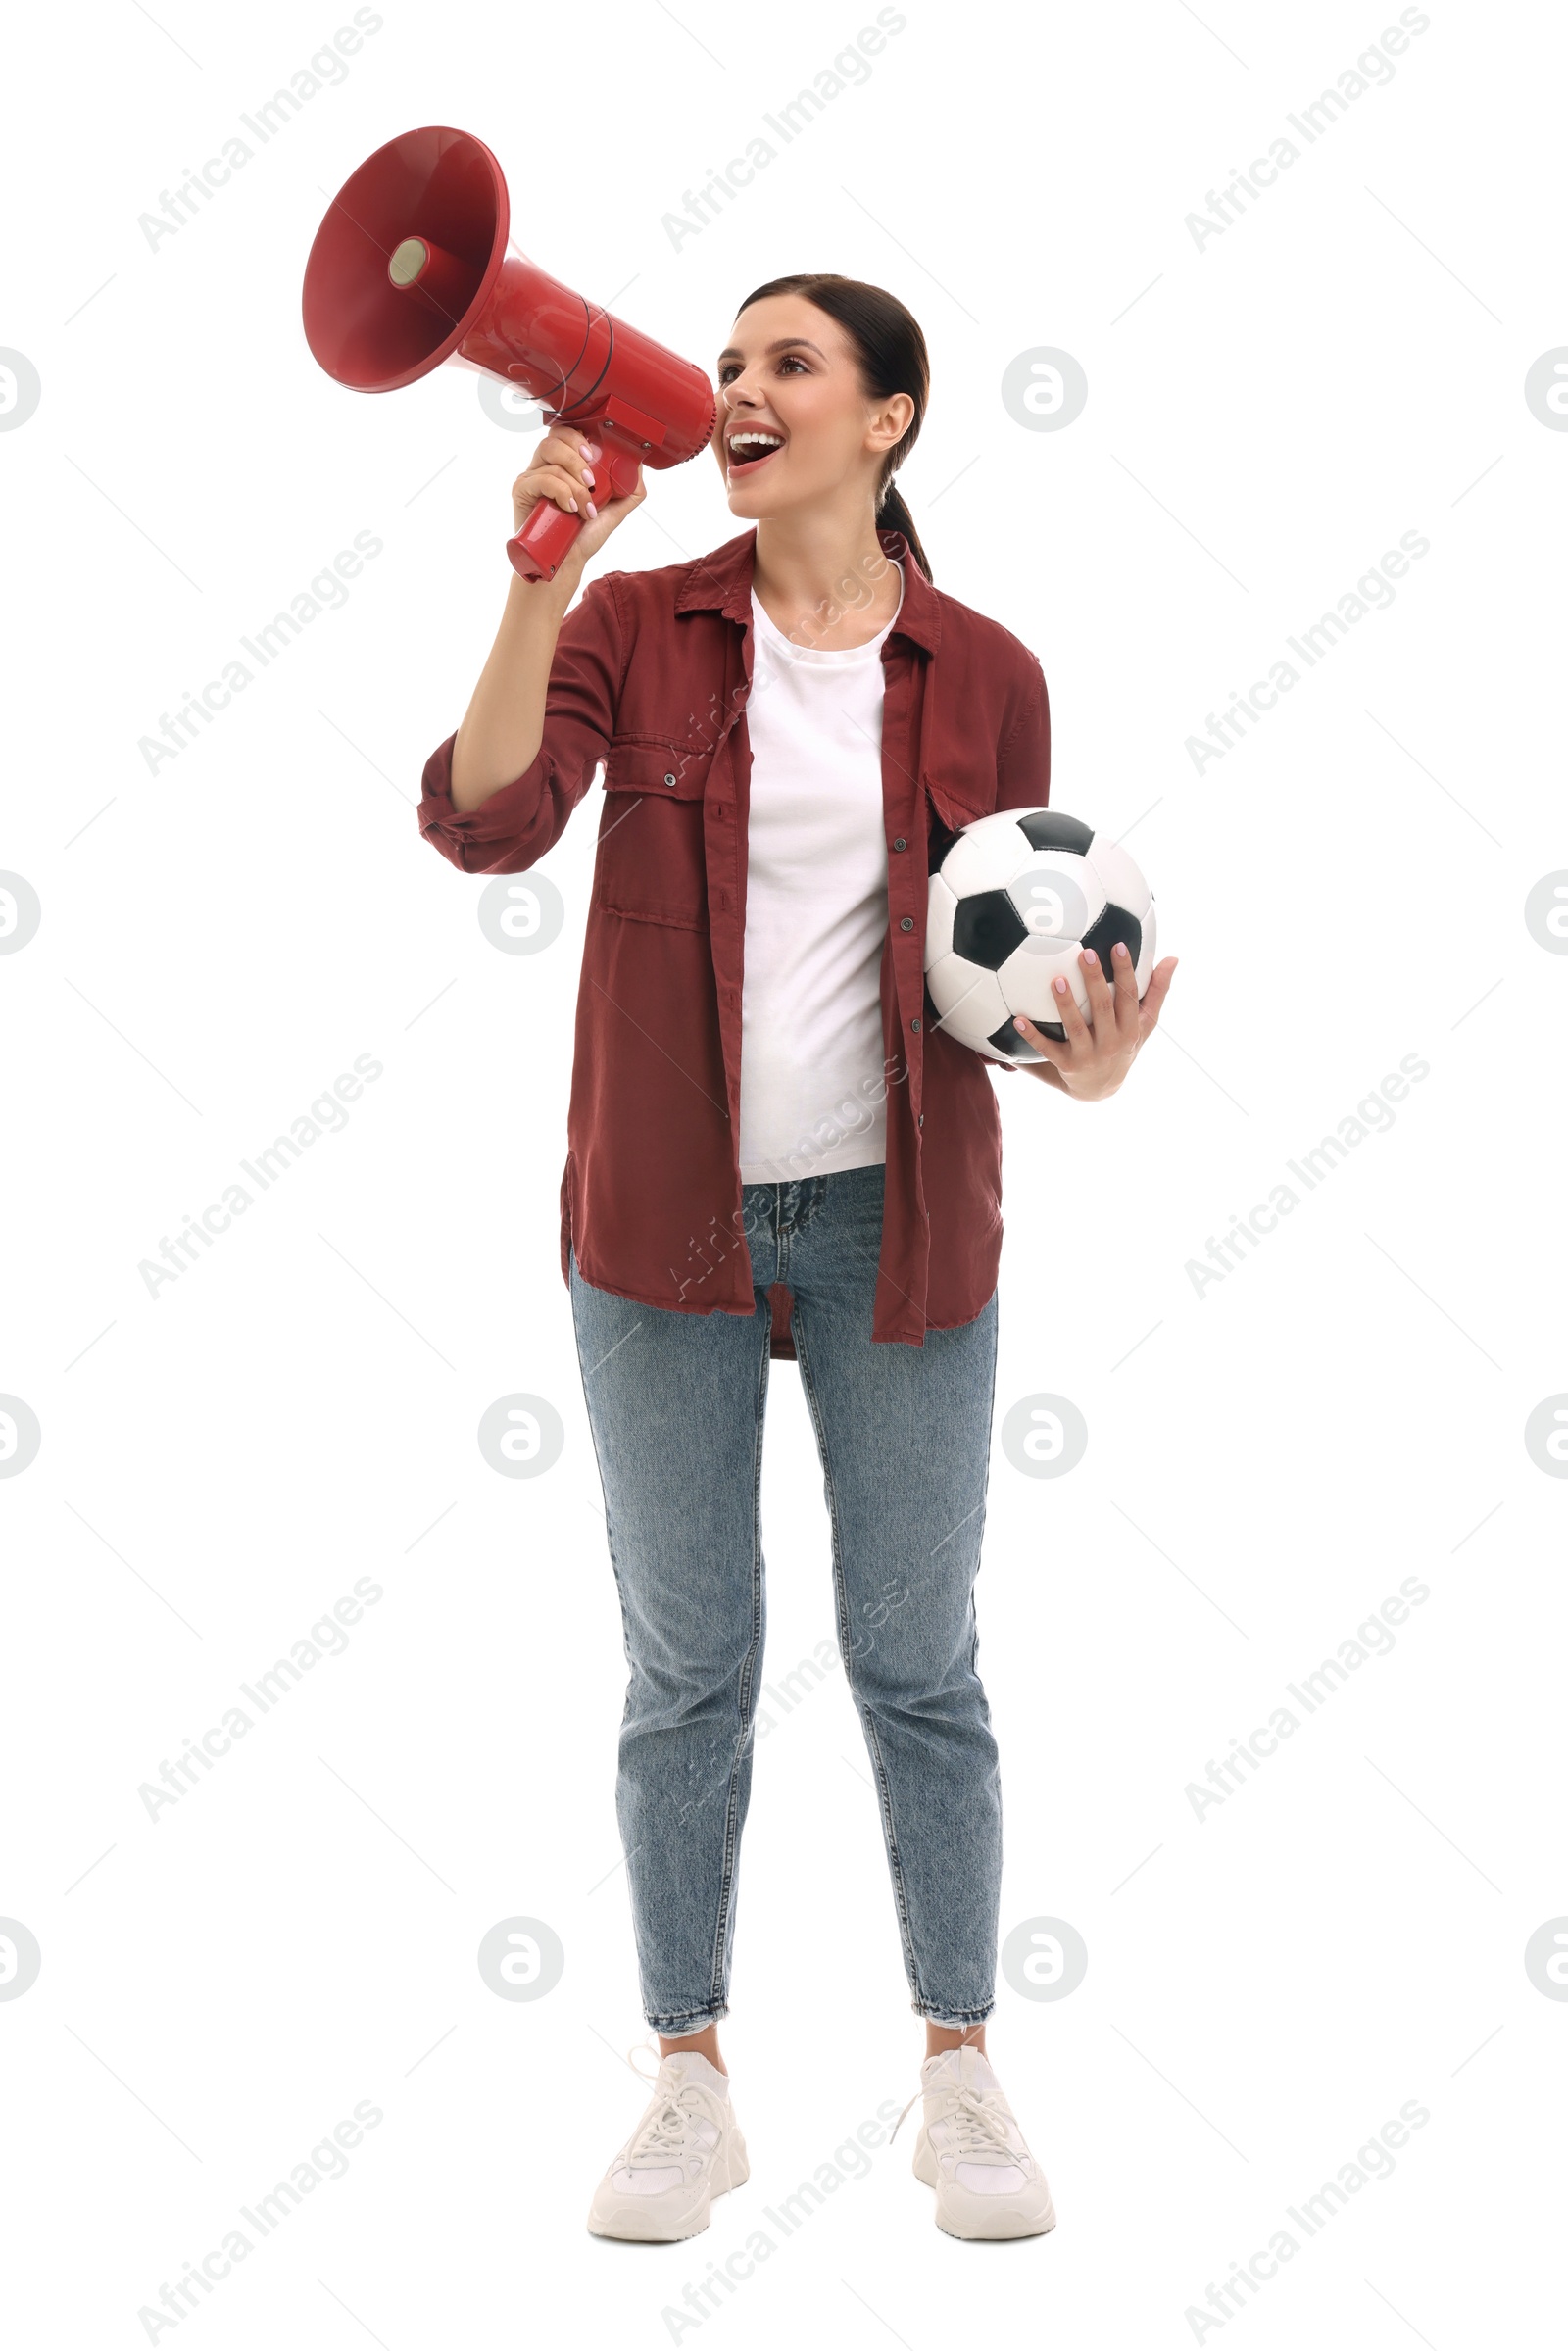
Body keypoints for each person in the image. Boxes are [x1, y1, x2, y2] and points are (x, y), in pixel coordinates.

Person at [417, 273, 1177, 2244]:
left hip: (898, 1226)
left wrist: (1081, 1073)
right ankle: (687, 2083)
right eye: (728, 365)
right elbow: (488, 817)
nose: (739, 390)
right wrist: (536, 568)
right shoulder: (630, 627)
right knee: (689, 1672)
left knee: (916, 1665)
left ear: (888, 420)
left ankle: (958, 2074)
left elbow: (1002, 971)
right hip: (654, 1224)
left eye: (787, 366)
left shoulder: (989, 673)